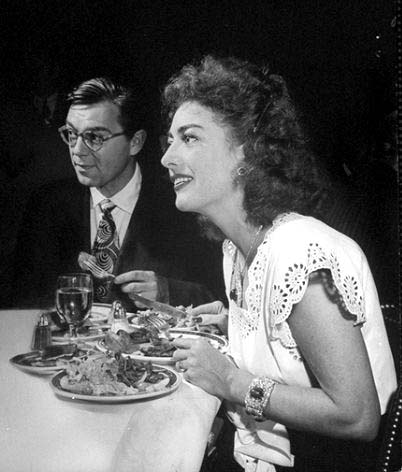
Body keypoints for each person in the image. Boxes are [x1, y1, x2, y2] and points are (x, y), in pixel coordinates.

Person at [160, 56, 397, 472]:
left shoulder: (299, 251)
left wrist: (230, 380)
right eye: (170, 140)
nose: (167, 157)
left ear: (246, 150)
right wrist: (235, 327)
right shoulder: (237, 250)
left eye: (190, 138)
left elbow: (358, 417)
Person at [11, 77, 223, 309]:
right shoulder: (47, 205)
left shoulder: (184, 208)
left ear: (135, 142)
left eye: (94, 137)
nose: (77, 151)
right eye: (71, 134)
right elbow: (21, 301)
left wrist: (167, 291)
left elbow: (224, 302)